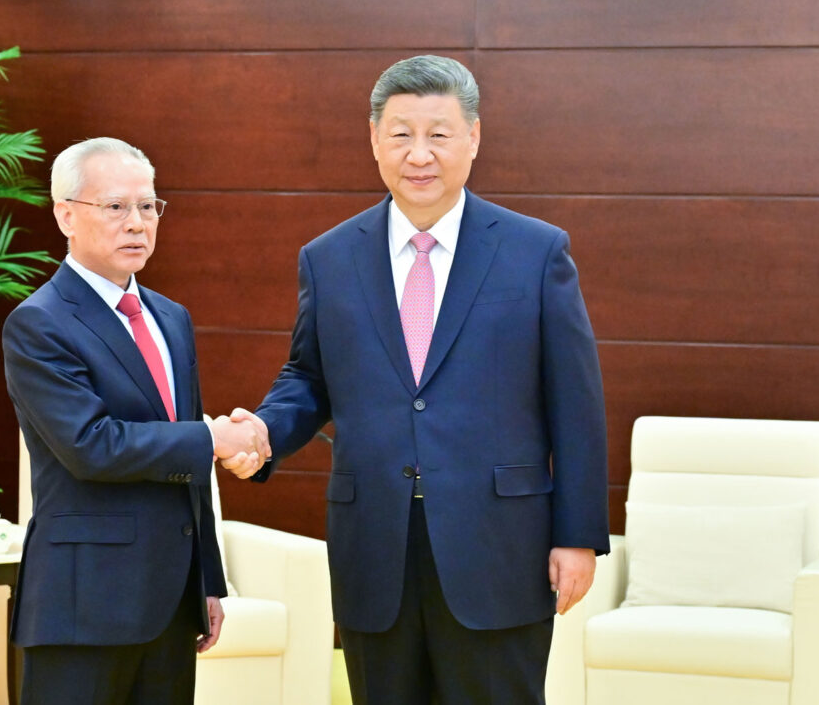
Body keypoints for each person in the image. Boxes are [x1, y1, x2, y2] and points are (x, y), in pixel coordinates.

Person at [231, 56, 609, 704]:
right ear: (375, 139)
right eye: (401, 133)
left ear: (474, 139)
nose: (420, 154)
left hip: (499, 547)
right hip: (375, 548)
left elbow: (576, 403)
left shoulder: (535, 252)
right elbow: (309, 378)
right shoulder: (329, 259)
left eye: (439, 133)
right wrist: (264, 430)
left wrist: (577, 536)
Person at [2, 137, 269, 705]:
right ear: (66, 215)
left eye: (148, 207)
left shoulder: (172, 318)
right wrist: (213, 437)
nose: (137, 223)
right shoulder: (39, 324)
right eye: (116, 206)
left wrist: (207, 585)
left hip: (171, 604)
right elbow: (90, 446)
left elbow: (190, 468)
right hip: (83, 606)